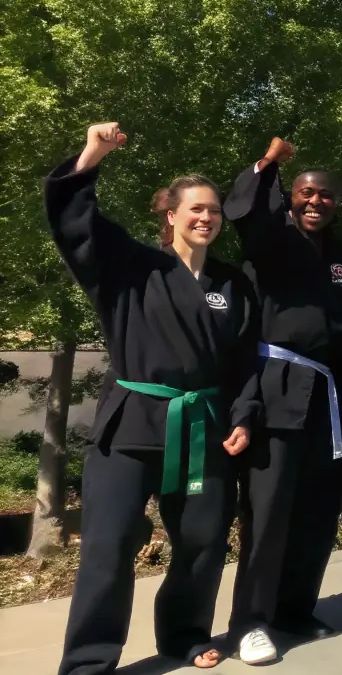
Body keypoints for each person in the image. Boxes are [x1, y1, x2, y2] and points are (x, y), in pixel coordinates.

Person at [48, 123, 259, 674]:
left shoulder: (233, 284)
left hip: (205, 423)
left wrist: (243, 415)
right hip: (134, 422)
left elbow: (242, 362)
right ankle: (90, 660)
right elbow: (77, 223)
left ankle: (185, 636)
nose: (206, 218)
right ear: (171, 215)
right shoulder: (130, 267)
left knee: (203, 539)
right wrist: (93, 154)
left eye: (214, 210)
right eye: (195, 209)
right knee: (108, 543)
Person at [224, 137, 342, 664]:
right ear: (290, 198)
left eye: (325, 196)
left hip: (327, 396)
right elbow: (244, 213)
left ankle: (295, 609)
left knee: (317, 511)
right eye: (305, 193)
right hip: (276, 387)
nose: (315, 201)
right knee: (267, 511)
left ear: (337, 203)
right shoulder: (271, 241)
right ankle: (251, 622)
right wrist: (267, 165)